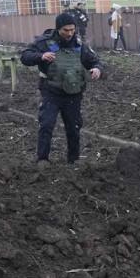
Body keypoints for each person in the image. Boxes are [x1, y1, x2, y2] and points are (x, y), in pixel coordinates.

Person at [20, 12, 104, 164]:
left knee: (74, 127)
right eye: (66, 30)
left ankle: (74, 159)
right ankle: (43, 159)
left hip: (73, 93)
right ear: (58, 28)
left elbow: (95, 61)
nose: (70, 33)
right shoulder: (44, 42)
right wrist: (41, 56)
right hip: (51, 92)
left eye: (72, 30)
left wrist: (97, 69)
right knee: (46, 124)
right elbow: (24, 56)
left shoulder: (79, 45)